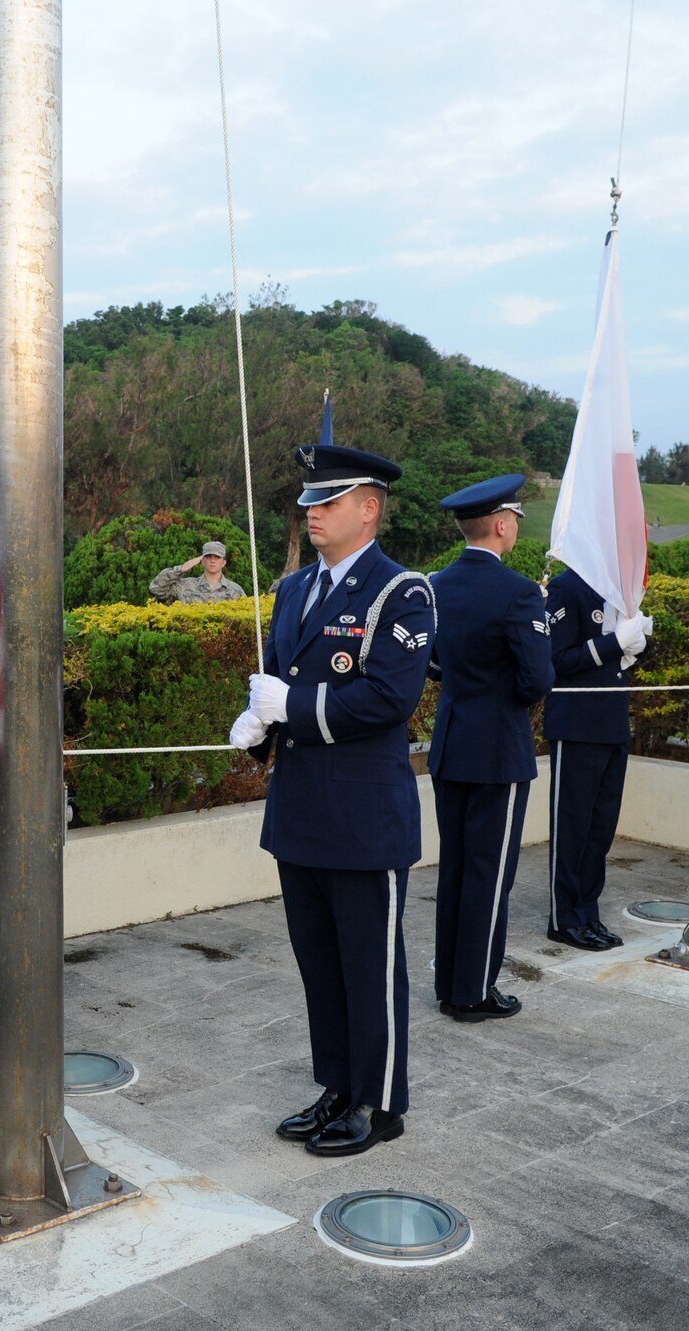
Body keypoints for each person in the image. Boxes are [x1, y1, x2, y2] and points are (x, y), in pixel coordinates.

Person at [228, 441, 434, 1156]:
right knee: (319, 961)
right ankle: (338, 1085)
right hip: (302, 808)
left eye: (329, 500)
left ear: (369, 509)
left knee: (368, 964)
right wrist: (258, 724)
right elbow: (278, 683)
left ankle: (378, 1103)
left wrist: (293, 702)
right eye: (310, 500)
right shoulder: (293, 589)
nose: (312, 512)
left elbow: (387, 696)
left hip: (363, 813)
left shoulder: (401, 591)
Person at [426, 476, 553, 1021]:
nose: (517, 527)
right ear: (500, 525)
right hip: (497, 749)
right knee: (489, 874)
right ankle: (472, 991)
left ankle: (449, 981)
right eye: (516, 519)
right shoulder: (519, 592)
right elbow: (537, 679)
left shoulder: (433, 585)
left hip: (451, 741)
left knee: (455, 868)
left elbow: (430, 663)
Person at [540, 568, 653, 952]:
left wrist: (639, 645)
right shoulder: (568, 587)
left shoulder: (620, 589)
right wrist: (613, 643)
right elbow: (555, 659)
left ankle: (587, 911)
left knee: (600, 830)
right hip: (576, 725)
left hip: (612, 723)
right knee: (573, 828)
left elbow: (627, 649)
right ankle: (564, 918)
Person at [149, 539, 246, 603]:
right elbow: (156, 588)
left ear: (224, 562)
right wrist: (181, 569)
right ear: (202, 561)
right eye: (208, 557)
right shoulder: (185, 586)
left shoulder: (235, 590)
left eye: (217, 557)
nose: (212, 561)